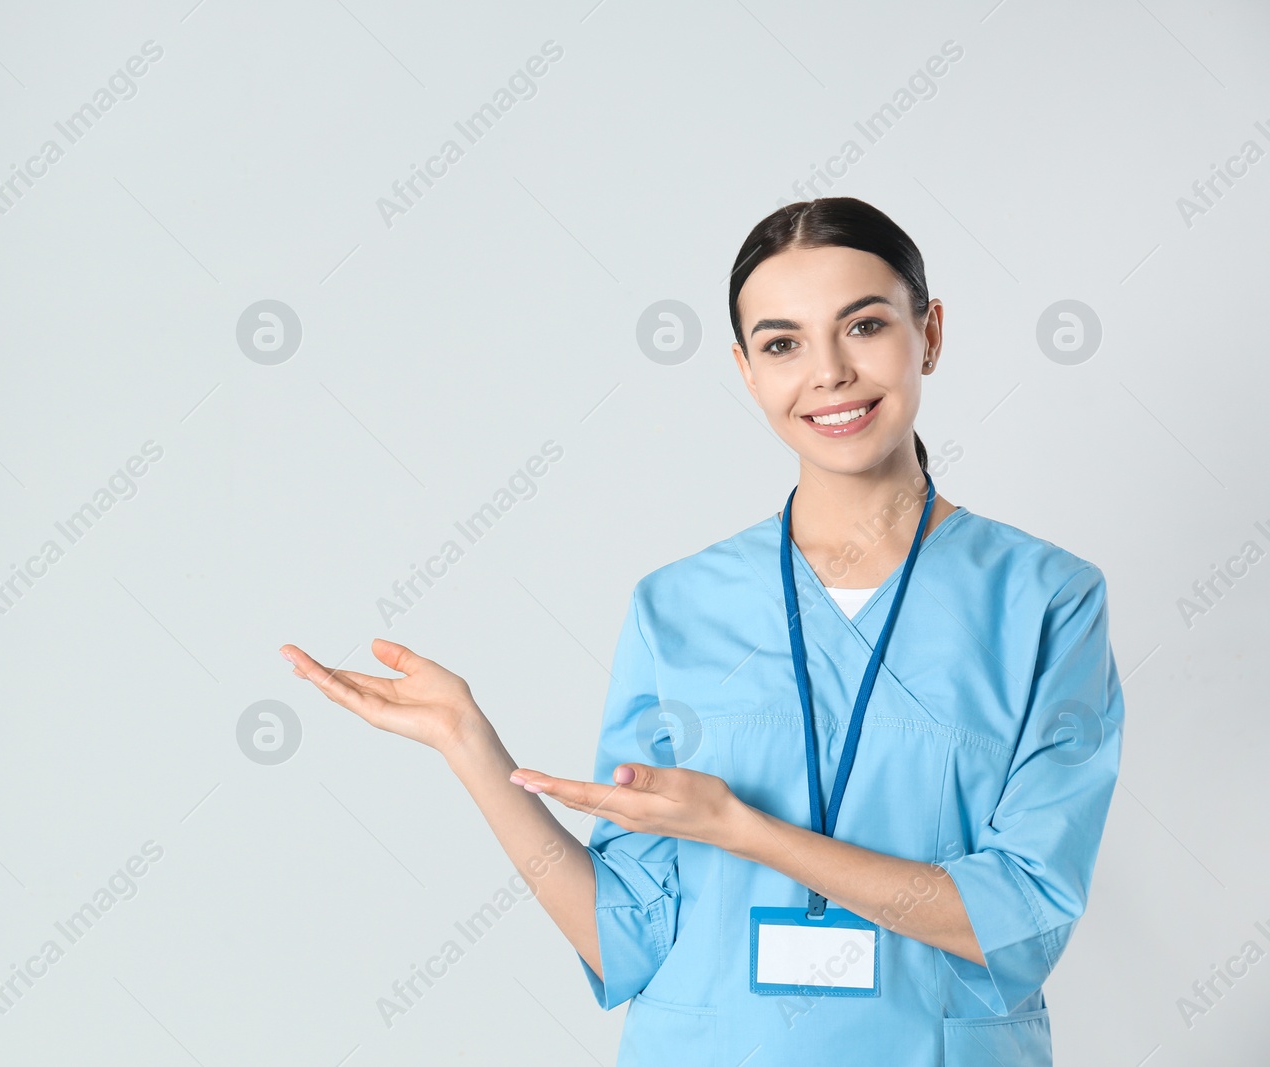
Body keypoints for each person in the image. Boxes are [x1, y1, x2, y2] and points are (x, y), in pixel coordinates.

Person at [280, 197, 1124, 1066]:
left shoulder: (1046, 601)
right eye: (782, 343)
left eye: (864, 325)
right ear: (747, 369)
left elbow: (1021, 921)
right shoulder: (677, 607)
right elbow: (626, 943)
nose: (829, 372)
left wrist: (744, 828)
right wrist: (469, 745)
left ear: (930, 333)